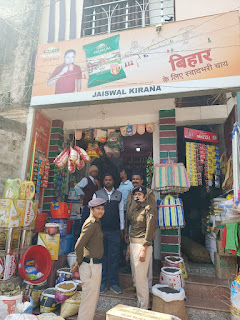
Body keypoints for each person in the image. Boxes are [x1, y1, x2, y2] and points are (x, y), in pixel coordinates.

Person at [71, 197, 106, 320]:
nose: (101, 211)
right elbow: (79, 245)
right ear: (91, 209)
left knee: (91, 300)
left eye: (102, 209)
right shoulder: (91, 223)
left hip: (93, 264)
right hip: (90, 265)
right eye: (98, 209)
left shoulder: (96, 222)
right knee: (89, 301)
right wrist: (79, 261)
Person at [125, 171, 158, 293]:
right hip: (132, 228)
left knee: (145, 264)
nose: (135, 181)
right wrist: (126, 231)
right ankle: (136, 286)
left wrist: (152, 231)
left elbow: (153, 212)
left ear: (142, 181)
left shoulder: (148, 193)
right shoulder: (130, 193)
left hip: (145, 230)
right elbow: (126, 211)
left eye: (137, 179)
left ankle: (146, 288)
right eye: (133, 179)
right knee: (134, 262)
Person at [93, 173, 124, 294]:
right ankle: (103, 282)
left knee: (114, 257)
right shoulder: (98, 194)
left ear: (113, 181)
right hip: (101, 230)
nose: (108, 181)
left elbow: (121, 212)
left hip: (115, 231)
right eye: (106, 179)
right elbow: (93, 212)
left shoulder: (119, 195)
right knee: (102, 257)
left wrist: (122, 228)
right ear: (103, 181)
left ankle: (114, 283)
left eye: (110, 179)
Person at [74, 165, 99, 231]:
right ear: (90, 172)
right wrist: (82, 194)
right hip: (87, 205)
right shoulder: (86, 180)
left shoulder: (95, 181)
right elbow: (77, 187)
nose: (95, 173)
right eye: (94, 171)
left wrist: (98, 185)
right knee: (85, 222)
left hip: (93, 206)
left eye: (96, 172)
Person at [118, 168, 133, 268]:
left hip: (126, 211)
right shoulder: (120, 185)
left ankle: (127, 261)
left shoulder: (130, 185)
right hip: (120, 211)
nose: (120, 173)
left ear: (125, 174)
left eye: (121, 171)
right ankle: (122, 259)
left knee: (127, 234)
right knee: (121, 233)